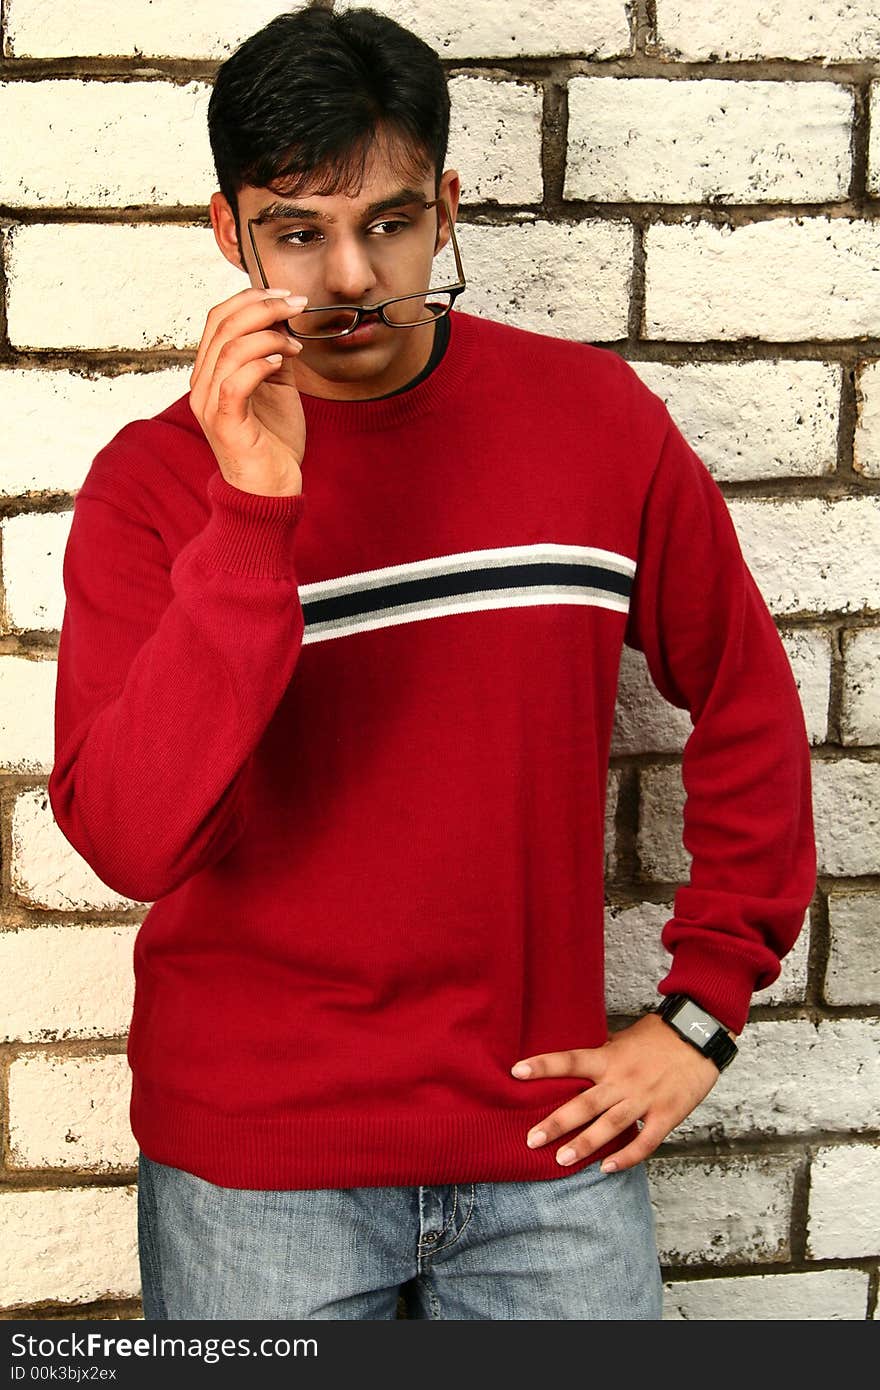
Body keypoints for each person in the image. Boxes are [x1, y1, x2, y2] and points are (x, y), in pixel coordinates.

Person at [48, 6, 816, 1321]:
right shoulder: (154, 486)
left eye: (392, 222)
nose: (351, 276)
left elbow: (744, 691)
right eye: (299, 230)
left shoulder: (591, 422)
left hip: (549, 1145)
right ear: (230, 231)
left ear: (447, 206)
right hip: (256, 1173)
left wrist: (703, 1011)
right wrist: (254, 508)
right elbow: (128, 836)